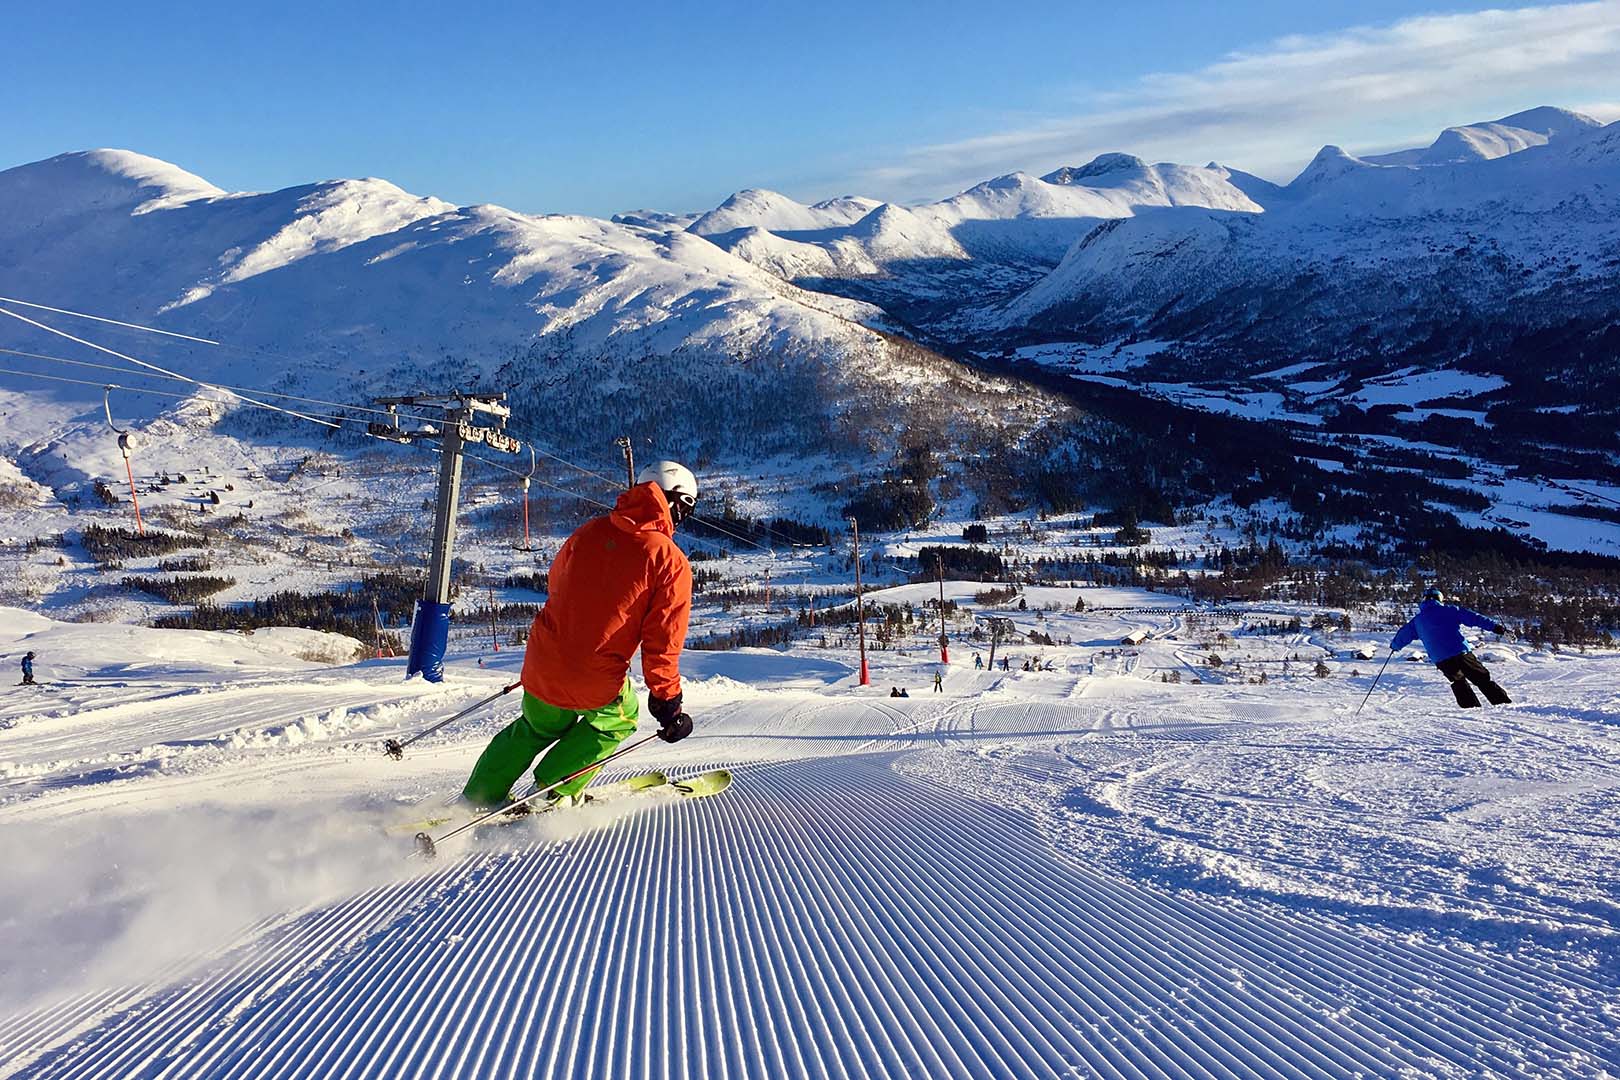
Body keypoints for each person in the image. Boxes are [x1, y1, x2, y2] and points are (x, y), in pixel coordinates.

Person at [461, 461, 698, 811]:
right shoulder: (668, 560)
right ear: (677, 503)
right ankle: (553, 791)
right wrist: (668, 703)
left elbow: (557, 585)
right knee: (618, 720)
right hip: (593, 673)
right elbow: (663, 642)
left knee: (536, 727)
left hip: (543, 659)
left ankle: (479, 794)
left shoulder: (590, 531)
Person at [1390, 586, 1512, 708]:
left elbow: (1403, 635)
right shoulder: (1450, 610)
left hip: (1441, 659)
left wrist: (1395, 646)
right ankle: (1502, 705)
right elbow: (1475, 618)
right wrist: (1497, 628)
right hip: (1460, 652)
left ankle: (1471, 710)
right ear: (1439, 598)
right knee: (1482, 679)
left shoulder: (1417, 621)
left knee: (1458, 682)